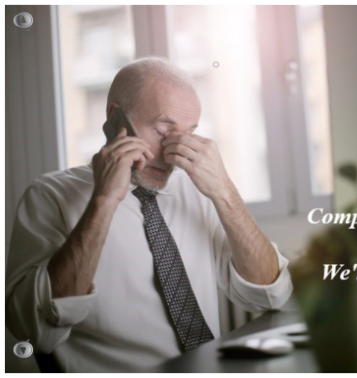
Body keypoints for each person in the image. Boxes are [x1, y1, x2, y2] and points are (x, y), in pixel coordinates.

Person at [4, 56, 293, 373]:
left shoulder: (197, 189)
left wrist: (225, 191)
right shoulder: (49, 197)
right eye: (162, 129)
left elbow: (271, 295)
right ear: (116, 119)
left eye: (188, 132)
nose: (174, 152)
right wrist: (104, 200)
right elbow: (31, 329)